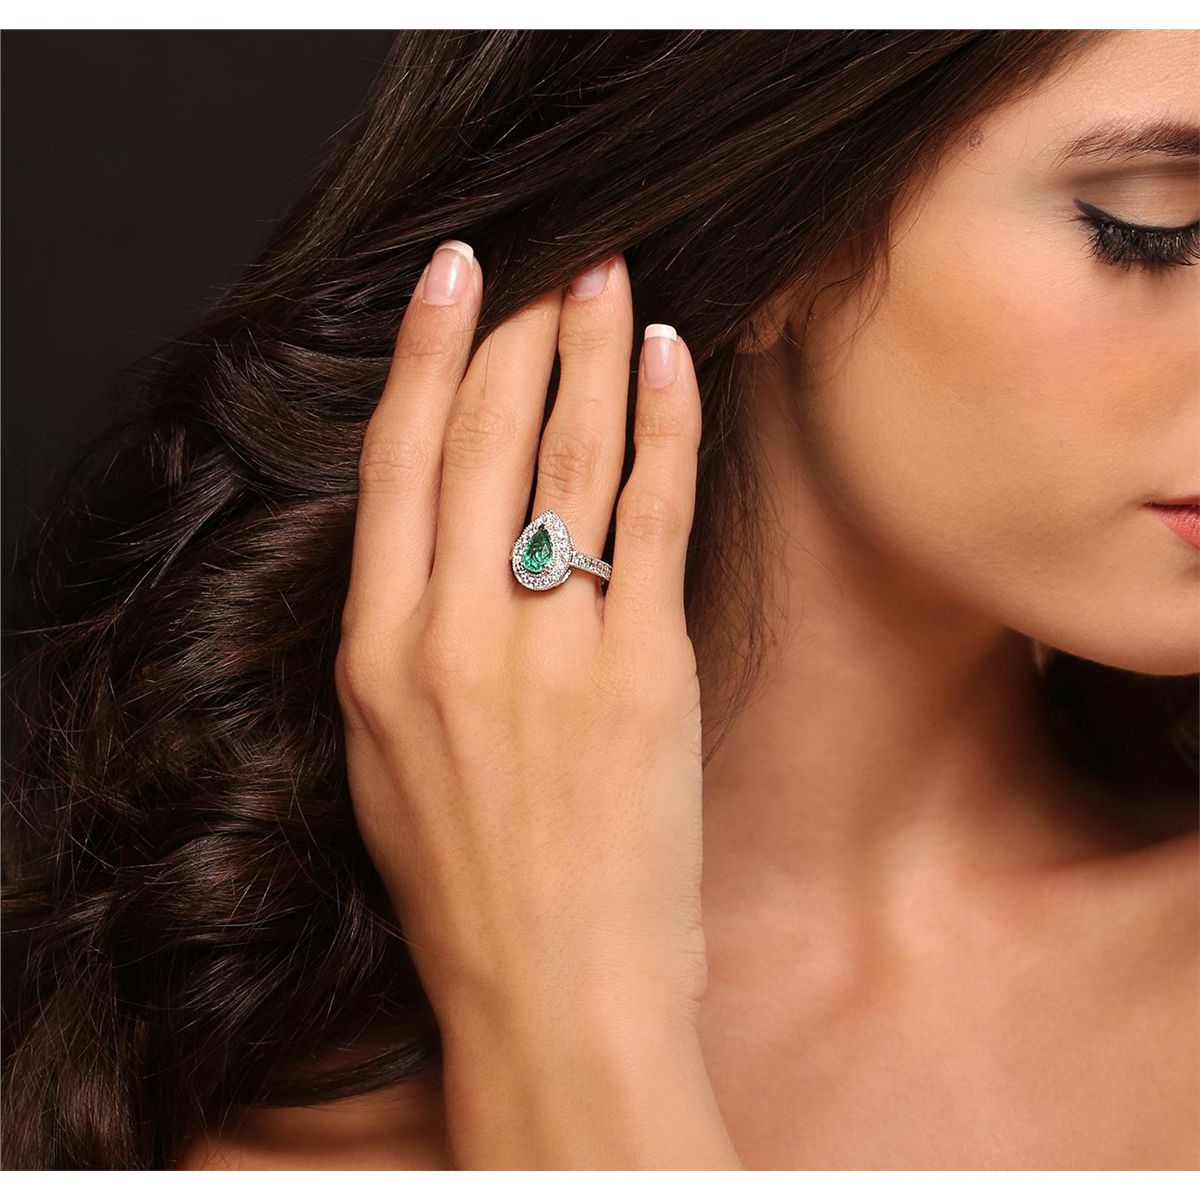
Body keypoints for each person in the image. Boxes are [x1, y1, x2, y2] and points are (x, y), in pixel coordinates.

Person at [2, 29, 1196, 1170]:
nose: (1172, 243)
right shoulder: (236, 1073)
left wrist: (566, 1020)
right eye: (1158, 228)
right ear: (767, 228)